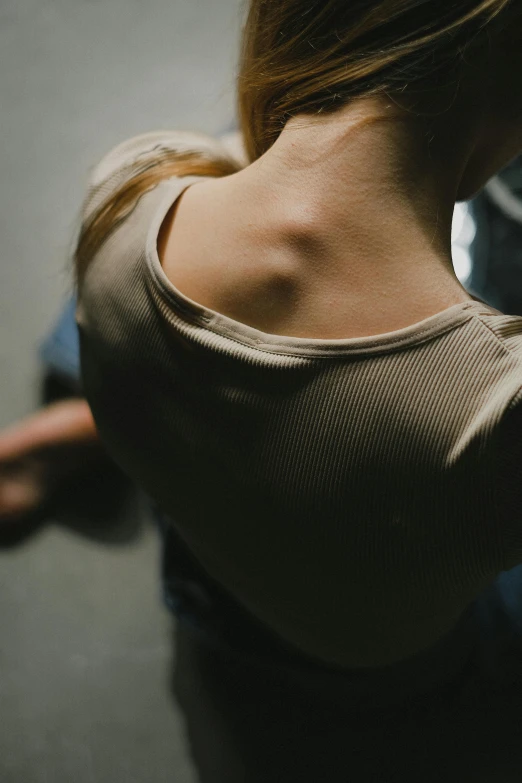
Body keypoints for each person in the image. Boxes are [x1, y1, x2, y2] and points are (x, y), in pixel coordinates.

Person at [3, 1, 522, 780]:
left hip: (210, 541)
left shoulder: (134, 178)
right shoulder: (495, 406)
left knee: (206, 210)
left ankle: (109, 412)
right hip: (372, 670)